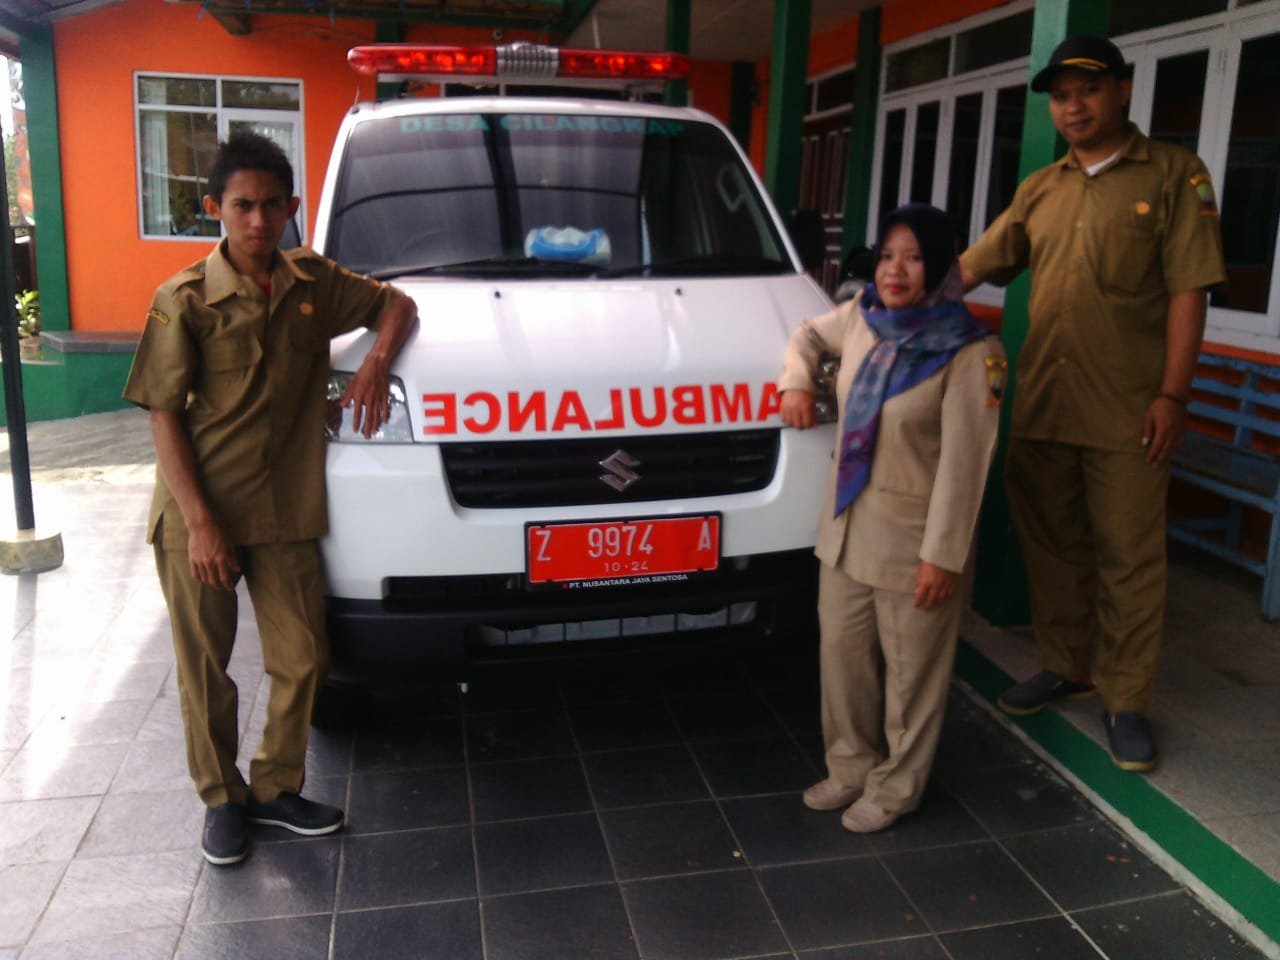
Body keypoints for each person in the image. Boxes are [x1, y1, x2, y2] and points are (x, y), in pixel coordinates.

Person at [123, 132, 418, 864]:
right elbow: (162, 413)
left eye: (272, 206)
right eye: (242, 206)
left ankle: (276, 788)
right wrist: (200, 525)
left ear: (292, 207)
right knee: (206, 667)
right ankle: (222, 801)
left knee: (305, 656)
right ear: (214, 209)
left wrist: (374, 366)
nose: (258, 221)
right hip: (201, 511)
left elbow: (398, 304)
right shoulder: (183, 299)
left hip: (284, 510)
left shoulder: (312, 283)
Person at [959, 36, 1226, 772]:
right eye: (1061, 95)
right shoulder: (1041, 189)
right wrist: (893, 307)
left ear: (1123, 91)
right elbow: (975, 266)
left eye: (1088, 90)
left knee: (1129, 559)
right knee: (1052, 547)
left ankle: (1126, 699)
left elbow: (1189, 291)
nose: (1073, 107)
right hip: (1046, 405)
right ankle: (1066, 666)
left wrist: (1174, 395)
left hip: (1129, 412)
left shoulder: (1174, 175)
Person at [780, 204, 1006, 833]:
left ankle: (898, 786)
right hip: (846, 532)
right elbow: (807, 336)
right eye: (886, 255)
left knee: (912, 678)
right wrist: (796, 382)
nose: (894, 270)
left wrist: (943, 556)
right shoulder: (863, 317)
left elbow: (966, 466)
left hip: (914, 546)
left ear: (939, 267)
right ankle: (851, 765)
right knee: (843, 661)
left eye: (913, 258)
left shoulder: (971, 352)